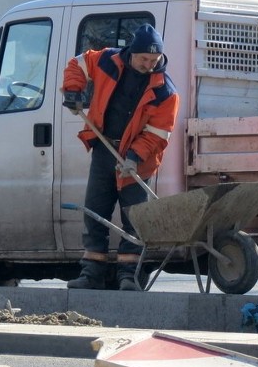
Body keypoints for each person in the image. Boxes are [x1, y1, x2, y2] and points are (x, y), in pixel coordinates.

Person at [61, 23, 179, 291]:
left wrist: (134, 158)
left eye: (154, 60)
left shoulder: (165, 91)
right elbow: (77, 65)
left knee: (134, 218)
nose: (149, 65)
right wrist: (73, 91)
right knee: (95, 212)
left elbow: (159, 134)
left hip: (137, 160)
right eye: (144, 59)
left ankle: (129, 276)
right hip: (105, 150)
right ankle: (91, 274)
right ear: (131, 52)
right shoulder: (107, 60)